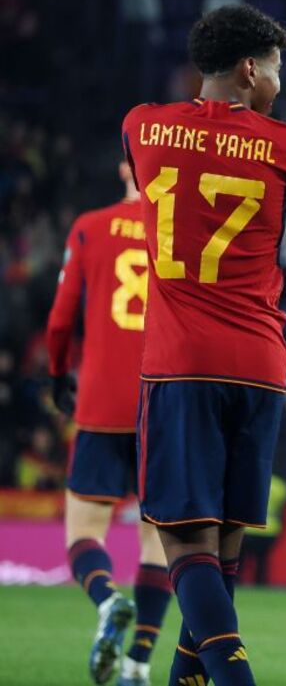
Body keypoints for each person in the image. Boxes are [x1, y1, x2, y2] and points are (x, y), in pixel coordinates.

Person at [122, 3, 286, 686]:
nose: (277, 78)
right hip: (261, 368)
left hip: (182, 364)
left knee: (187, 545)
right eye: (273, 66)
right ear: (248, 67)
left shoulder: (142, 125)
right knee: (225, 551)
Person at [45, 160, 172, 686]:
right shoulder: (177, 231)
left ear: (124, 167)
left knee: (83, 531)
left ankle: (105, 599)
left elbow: (59, 318)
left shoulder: (89, 226)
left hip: (100, 401)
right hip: (164, 401)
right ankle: (139, 663)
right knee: (160, 539)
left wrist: (57, 374)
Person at [240, 472, 286, 586]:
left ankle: (237, 583)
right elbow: (282, 512)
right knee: (262, 561)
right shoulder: (281, 485)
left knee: (241, 560)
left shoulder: (250, 479)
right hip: (270, 530)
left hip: (248, 529)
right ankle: (260, 584)